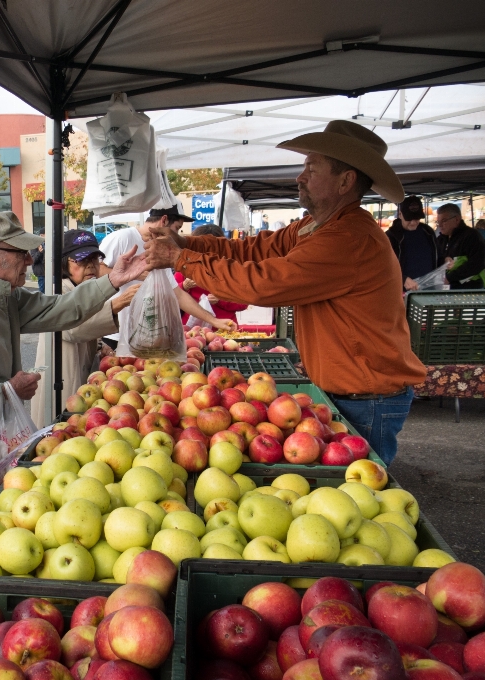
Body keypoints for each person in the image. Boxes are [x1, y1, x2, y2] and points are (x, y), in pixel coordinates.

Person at [142, 120, 426, 465]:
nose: (300, 176)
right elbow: (256, 249)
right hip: (350, 390)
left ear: (345, 181)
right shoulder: (317, 226)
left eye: (311, 167)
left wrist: (180, 257)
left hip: (366, 397)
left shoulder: (347, 239)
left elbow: (264, 282)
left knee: (364, 495)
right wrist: (185, 242)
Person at [0, 211, 148, 529]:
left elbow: (56, 309)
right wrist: (5, 389)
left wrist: (111, 282)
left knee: (4, 525)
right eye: (21, 252)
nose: (30, 259)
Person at [29, 230, 140, 427]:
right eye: (81, 261)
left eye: (94, 260)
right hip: (61, 379)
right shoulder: (57, 290)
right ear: (64, 264)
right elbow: (73, 328)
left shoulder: (90, 289)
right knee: (59, 430)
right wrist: (119, 303)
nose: (90, 266)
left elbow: (90, 326)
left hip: (86, 382)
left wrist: (100, 346)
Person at [99, 204, 235, 351]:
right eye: (177, 228)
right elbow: (97, 269)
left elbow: (178, 295)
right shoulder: (122, 238)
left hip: (145, 338)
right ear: (164, 221)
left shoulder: (160, 249)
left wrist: (213, 320)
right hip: (116, 336)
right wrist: (133, 275)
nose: (177, 235)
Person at [175, 224, 249, 326]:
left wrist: (221, 300)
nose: (206, 256)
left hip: (225, 329)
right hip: (191, 330)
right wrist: (184, 286)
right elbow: (170, 296)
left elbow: (244, 302)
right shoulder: (185, 269)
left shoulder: (232, 269)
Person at [386, 196, 443, 291]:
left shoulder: (428, 232)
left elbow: (438, 255)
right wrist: (402, 279)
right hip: (400, 292)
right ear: (400, 214)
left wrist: (445, 259)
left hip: (429, 288)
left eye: (417, 218)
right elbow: (383, 266)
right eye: (409, 218)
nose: (413, 222)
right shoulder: (390, 237)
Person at [434, 203, 485, 290]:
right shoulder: (440, 239)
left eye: (444, 221)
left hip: (468, 290)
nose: (440, 225)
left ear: (456, 219)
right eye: (438, 221)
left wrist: (450, 277)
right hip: (445, 289)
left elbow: (477, 263)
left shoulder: (472, 236)